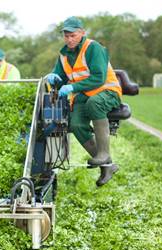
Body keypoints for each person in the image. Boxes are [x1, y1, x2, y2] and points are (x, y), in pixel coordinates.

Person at [46, 16, 122, 187]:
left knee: (93, 103)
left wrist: (72, 88)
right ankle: (107, 165)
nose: (69, 39)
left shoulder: (94, 48)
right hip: (84, 95)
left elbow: (98, 78)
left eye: (73, 35)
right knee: (75, 124)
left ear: (82, 33)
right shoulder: (64, 54)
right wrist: (54, 78)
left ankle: (103, 153)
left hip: (107, 91)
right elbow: (61, 78)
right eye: (66, 35)